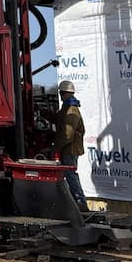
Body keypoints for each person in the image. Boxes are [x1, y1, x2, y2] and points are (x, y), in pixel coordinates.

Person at [54, 80, 88, 211]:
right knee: (70, 174)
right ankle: (77, 201)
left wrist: (56, 147)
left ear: (66, 93)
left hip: (69, 148)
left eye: (62, 93)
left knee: (70, 175)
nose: (61, 96)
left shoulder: (71, 110)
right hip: (68, 148)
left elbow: (67, 134)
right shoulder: (67, 108)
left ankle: (80, 201)